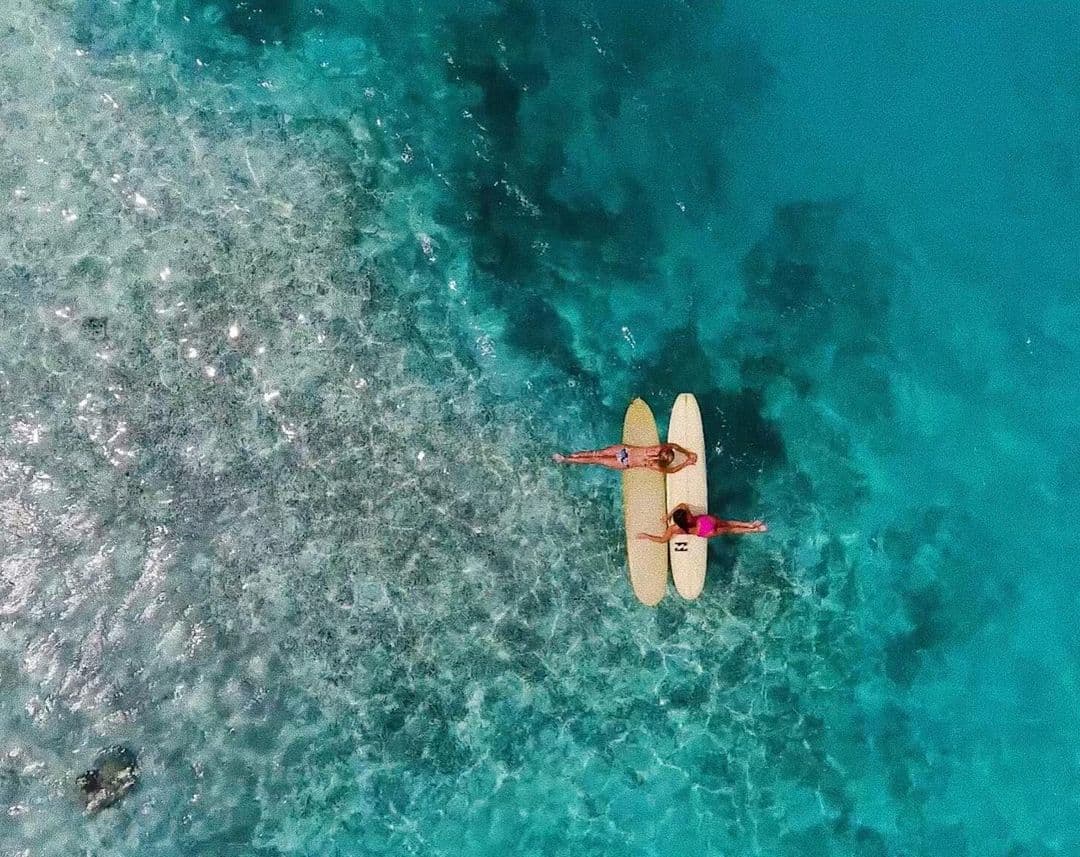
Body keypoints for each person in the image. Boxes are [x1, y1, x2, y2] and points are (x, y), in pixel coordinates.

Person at [638, 502, 767, 542]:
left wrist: (668, 515)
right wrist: (669, 514)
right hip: (705, 522)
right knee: (727, 525)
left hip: (705, 530)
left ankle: (753, 528)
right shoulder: (683, 516)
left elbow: (662, 540)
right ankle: (752, 526)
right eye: (688, 515)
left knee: (729, 528)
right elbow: (682, 505)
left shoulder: (674, 529)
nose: (689, 514)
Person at [552, 442, 697, 474]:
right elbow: (673, 447)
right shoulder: (656, 460)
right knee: (596, 455)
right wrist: (687, 456)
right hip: (624, 455)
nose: (657, 451)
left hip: (624, 457)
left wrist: (686, 459)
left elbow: (671, 469)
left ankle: (566, 459)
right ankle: (567, 458)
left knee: (596, 456)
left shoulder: (655, 462)